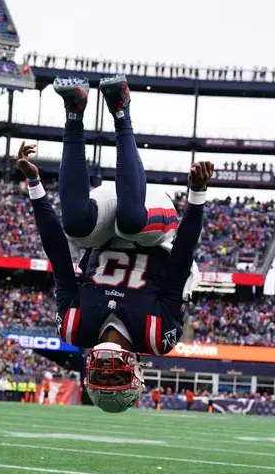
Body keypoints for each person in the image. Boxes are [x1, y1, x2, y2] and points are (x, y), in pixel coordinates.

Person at [18, 75, 213, 413]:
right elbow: (180, 263)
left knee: (75, 225)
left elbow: (59, 258)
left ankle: (75, 109)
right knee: (132, 221)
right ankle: (121, 109)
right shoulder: (156, 335)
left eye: (102, 381)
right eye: (115, 380)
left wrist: (35, 185)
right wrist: (197, 196)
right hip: (156, 229)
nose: (107, 373)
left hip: (105, 230)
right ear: (135, 373)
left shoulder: (75, 326)